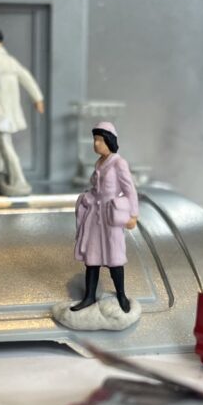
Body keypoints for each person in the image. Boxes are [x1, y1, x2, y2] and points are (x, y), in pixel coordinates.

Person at [71, 122, 139, 313]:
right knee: (92, 259)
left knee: (115, 257)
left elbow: (130, 190)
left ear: (109, 141)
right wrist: (88, 198)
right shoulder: (99, 162)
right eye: (95, 139)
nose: (96, 144)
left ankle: (121, 295)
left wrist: (133, 215)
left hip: (110, 216)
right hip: (94, 216)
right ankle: (89, 296)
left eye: (100, 140)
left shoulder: (119, 163)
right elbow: (96, 189)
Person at [0, 27, 45, 197]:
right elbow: (26, 77)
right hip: (10, 110)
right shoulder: (9, 59)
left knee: (4, 143)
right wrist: (37, 98)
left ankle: (17, 179)